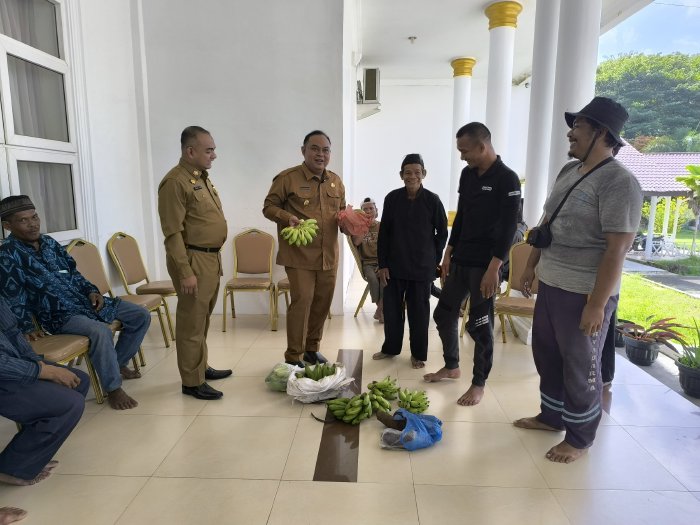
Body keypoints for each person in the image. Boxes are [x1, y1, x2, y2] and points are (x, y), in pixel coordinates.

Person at [513, 97, 642, 463]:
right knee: (548, 354)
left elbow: (617, 250)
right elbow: (545, 222)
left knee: (580, 363)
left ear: (601, 133)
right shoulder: (569, 172)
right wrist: (530, 266)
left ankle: (580, 437)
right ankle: (551, 416)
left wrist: (597, 305)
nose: (571, 133)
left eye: (579, 128)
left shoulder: (620, 183)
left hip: (585, 291)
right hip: (552, 283)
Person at [0, 196, 150, 410]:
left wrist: (91, 291)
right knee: (100, 331)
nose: (33, 224)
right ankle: (113, 388)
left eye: (35, 217)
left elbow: (73, 273)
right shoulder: (7, 254)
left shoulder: (50, 243)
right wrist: (26, 326)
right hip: (58, 314)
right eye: (23, 220)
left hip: (85, 302)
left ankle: (117, 364)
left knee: (140, 315)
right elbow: (13, 294)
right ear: (7, 226)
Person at [423, 123, 521, 405]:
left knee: (480, 324)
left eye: (465, 151)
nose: (463, 157)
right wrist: (448, 251)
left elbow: (508, 227)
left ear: (483, 146)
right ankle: (452, 366)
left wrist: (495, 268)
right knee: (443, 314)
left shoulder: (507, 179)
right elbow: (462, 215)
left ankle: (478, 383)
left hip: (486, 265)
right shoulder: (467, 175)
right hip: (462, 258)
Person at [158, 126, 233, 401]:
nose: (214, 155)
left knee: (202, 319)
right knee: (191, 321)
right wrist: (185, 271)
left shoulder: (199, 178)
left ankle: (199, 367)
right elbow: (172, 233)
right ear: (191, 151)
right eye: (209, 150)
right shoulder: (175, 182)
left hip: (210, 258)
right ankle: (191, 381)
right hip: (193, 259)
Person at [263, 130, 346, 367]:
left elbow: (340, 212)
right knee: (303, 301)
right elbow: (268, 207)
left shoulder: (335, 181)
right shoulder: (288, 178)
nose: (320, 154)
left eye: (325, 150)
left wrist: (350, 221)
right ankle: (294, 355)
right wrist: (286, 216)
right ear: (303, 150)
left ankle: (312, 349)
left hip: (328, 254)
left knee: (322, 302)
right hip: (299, 255)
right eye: (315, 148)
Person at [0, 296, 88, 487]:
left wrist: (36, 361)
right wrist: (43, 371)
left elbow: (12, 331)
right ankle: (11, 469)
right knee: (69, 404)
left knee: (78, 382)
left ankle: (28, 456)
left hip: (11, 365)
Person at [373, 154, 448, 369]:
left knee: (419, 313)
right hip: (394, 267)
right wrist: (383, 264)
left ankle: (418, 354)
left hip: (422, 268)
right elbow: (384, 234)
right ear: (401, 175)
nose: (412, 176)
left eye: (417, 172)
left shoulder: (432, 200)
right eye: (408, 172)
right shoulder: (392, 198)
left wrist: (434, 258)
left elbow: (442, 233)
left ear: (424, 174)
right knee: (392, 311)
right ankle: (390, 349)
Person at [351, 197, 383, 322]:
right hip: (368, 263)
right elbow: (357, 242)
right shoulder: (358, 228)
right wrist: (364, 225)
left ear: (376, 211)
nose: (368, 211)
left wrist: (383, 264)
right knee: (373, 279)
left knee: (385, 280)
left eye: (371, 208)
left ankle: (380, 310)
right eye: (365, 209)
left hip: (382, 262)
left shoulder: (382, 226)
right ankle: (381, 309)